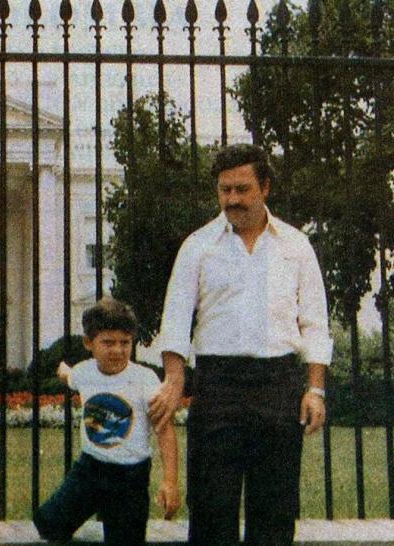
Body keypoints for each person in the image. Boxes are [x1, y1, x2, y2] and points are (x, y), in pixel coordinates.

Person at [150, 143, 332, 545]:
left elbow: (315, 323)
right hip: (218, 388)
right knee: (212, 510)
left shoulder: (296, 246)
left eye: (242, 189)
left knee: (275, 511)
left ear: (264, 187)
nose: (231, 199)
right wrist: (175, 379)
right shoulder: (197, 246)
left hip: (278, 385)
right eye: (224, 190)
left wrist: (314, 389)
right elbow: (176, 319)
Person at [33, 296, 180, 546]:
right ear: (88, 343)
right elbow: (69, 376)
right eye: (108, 342)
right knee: (48, 525)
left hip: (130, 479)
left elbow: (164, 432)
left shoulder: (144, 380)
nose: (118, 350)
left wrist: (169, 482)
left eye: (125, 342)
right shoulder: (84, 372)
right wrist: (61, 369)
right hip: (89, 470)